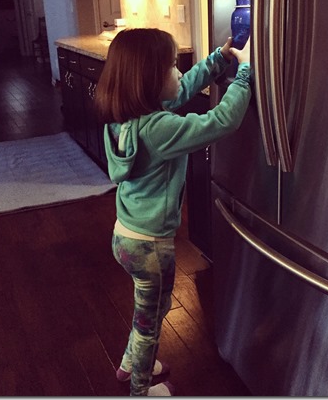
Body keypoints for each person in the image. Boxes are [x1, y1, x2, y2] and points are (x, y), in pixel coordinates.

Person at [94, 28, 251, 396]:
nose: (179, 72)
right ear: (150, 80)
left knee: (148, 307)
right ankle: (140, 390)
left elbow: (179, 91)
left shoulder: (125, 120)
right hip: (151, 247)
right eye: (172, 66)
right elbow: (221, 121)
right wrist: (245, 74)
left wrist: (218, 59)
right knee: (151, 323)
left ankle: (130, 362)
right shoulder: (159, 130)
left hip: (125, 236)